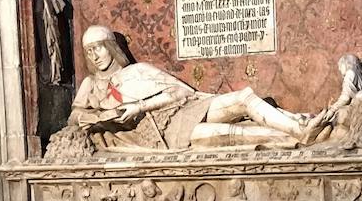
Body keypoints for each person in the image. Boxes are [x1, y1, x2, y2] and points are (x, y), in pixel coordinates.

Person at [68, 25, 334, 150]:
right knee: (239, 134)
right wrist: (101, 118)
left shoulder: (138, 71)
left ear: (111, 48)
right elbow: (74, 120)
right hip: (166, 135)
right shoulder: (91, 86)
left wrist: (138, 105)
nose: (94, 56)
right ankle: (301, 139)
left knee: (243, 97)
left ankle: (300, 128)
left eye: (98, 48)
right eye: (88, 51)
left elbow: (180, 92)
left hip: (184, 109)